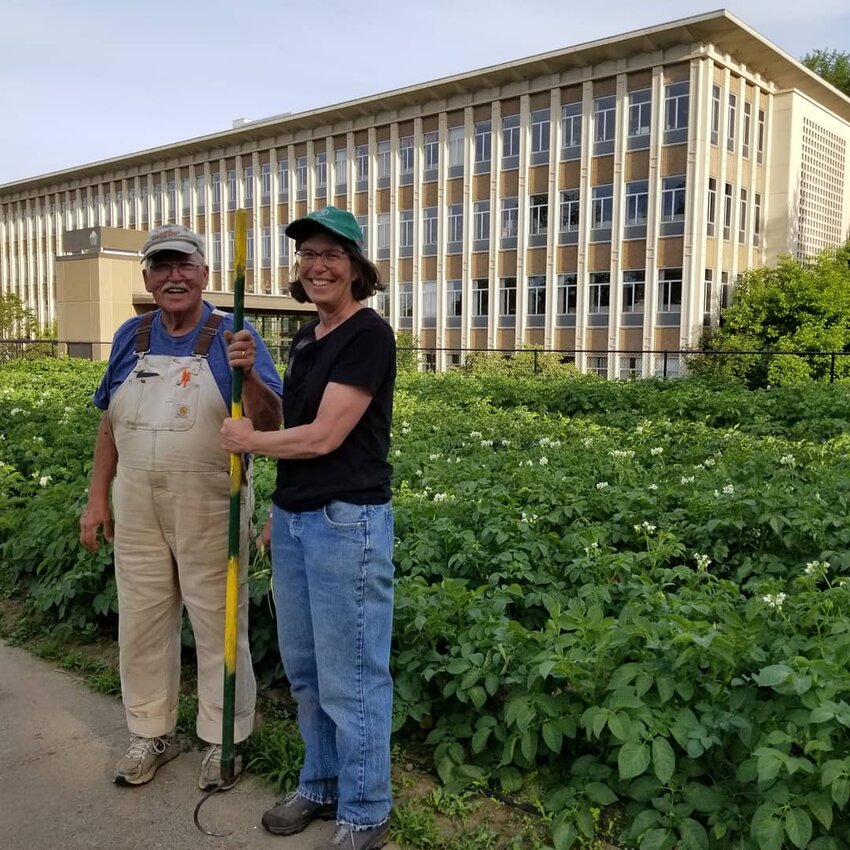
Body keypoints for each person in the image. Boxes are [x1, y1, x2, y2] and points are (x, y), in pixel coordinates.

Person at [79, 223, 283, 790]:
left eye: (184, 265)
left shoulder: (235, 335)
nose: (174, 276)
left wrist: (249, 376)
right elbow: (107, 425)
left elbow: (271, 425)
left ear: (204, 274)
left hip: (209, 504)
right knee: (142, 619)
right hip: (136, 503)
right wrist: (98, 497)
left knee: (219, 621)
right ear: (147, 276)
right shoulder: (131, 336)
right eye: (162, 266)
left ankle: (227, 741)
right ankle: (152, 733)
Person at [220, 206, 396, 850]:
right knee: (307, 671)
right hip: (297, 522)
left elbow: (323, 436)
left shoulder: (367, 335)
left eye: (332, 254)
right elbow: (284, 422)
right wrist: (250, 375)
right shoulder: (306, 339)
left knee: (352, 673)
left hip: (346, 523)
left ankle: (367, 808)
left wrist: (248, 442)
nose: (317, 265)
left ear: (356, 268)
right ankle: (320, 784)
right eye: (307, 255)